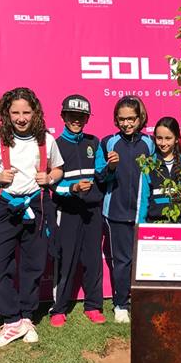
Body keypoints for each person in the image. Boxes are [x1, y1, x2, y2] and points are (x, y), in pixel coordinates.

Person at [0, 87, 64, 346]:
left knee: (33, 265)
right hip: (8, 206)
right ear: (7, 113)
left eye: (26, 112)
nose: (21, 118)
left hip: (37, 206)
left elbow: (58, 169)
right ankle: (12, 318)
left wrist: (49, 177)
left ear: (35, 112)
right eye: (15, 112)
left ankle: (26, 318)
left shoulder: (46, 140)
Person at [95, 96, 155, 323]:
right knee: (122, 261)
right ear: (116, 119)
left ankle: (142, 301)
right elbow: (100, 177)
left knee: (145, 260)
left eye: (131, 118)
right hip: (116, 213)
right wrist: (111, 167)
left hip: (144, 213)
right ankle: (121, 304)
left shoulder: (150, 143)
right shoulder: (108, 142)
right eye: (122, 119)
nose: (127, 123)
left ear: (140, 118)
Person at [49, 94, 107, 327]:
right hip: (68, 211)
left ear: (87, 119)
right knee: (66, 259)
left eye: (81, 116)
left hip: (92, 210)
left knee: (93, 260)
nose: (77, 120)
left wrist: (111, 168)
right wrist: (72, 189)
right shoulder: (55, 144)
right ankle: (59, 308)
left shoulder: (94, 142)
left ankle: (93, 305)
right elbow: (52, 185)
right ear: (63, 116)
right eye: (72, 115)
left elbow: (101, 174)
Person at [143, 117, 181, 222]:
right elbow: (143, 200)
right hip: (155, 223)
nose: (163, 143)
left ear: (176, 139)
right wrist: (141, 225)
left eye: (168, 138)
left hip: (180, 223)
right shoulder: (149, 165)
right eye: (159, 138)